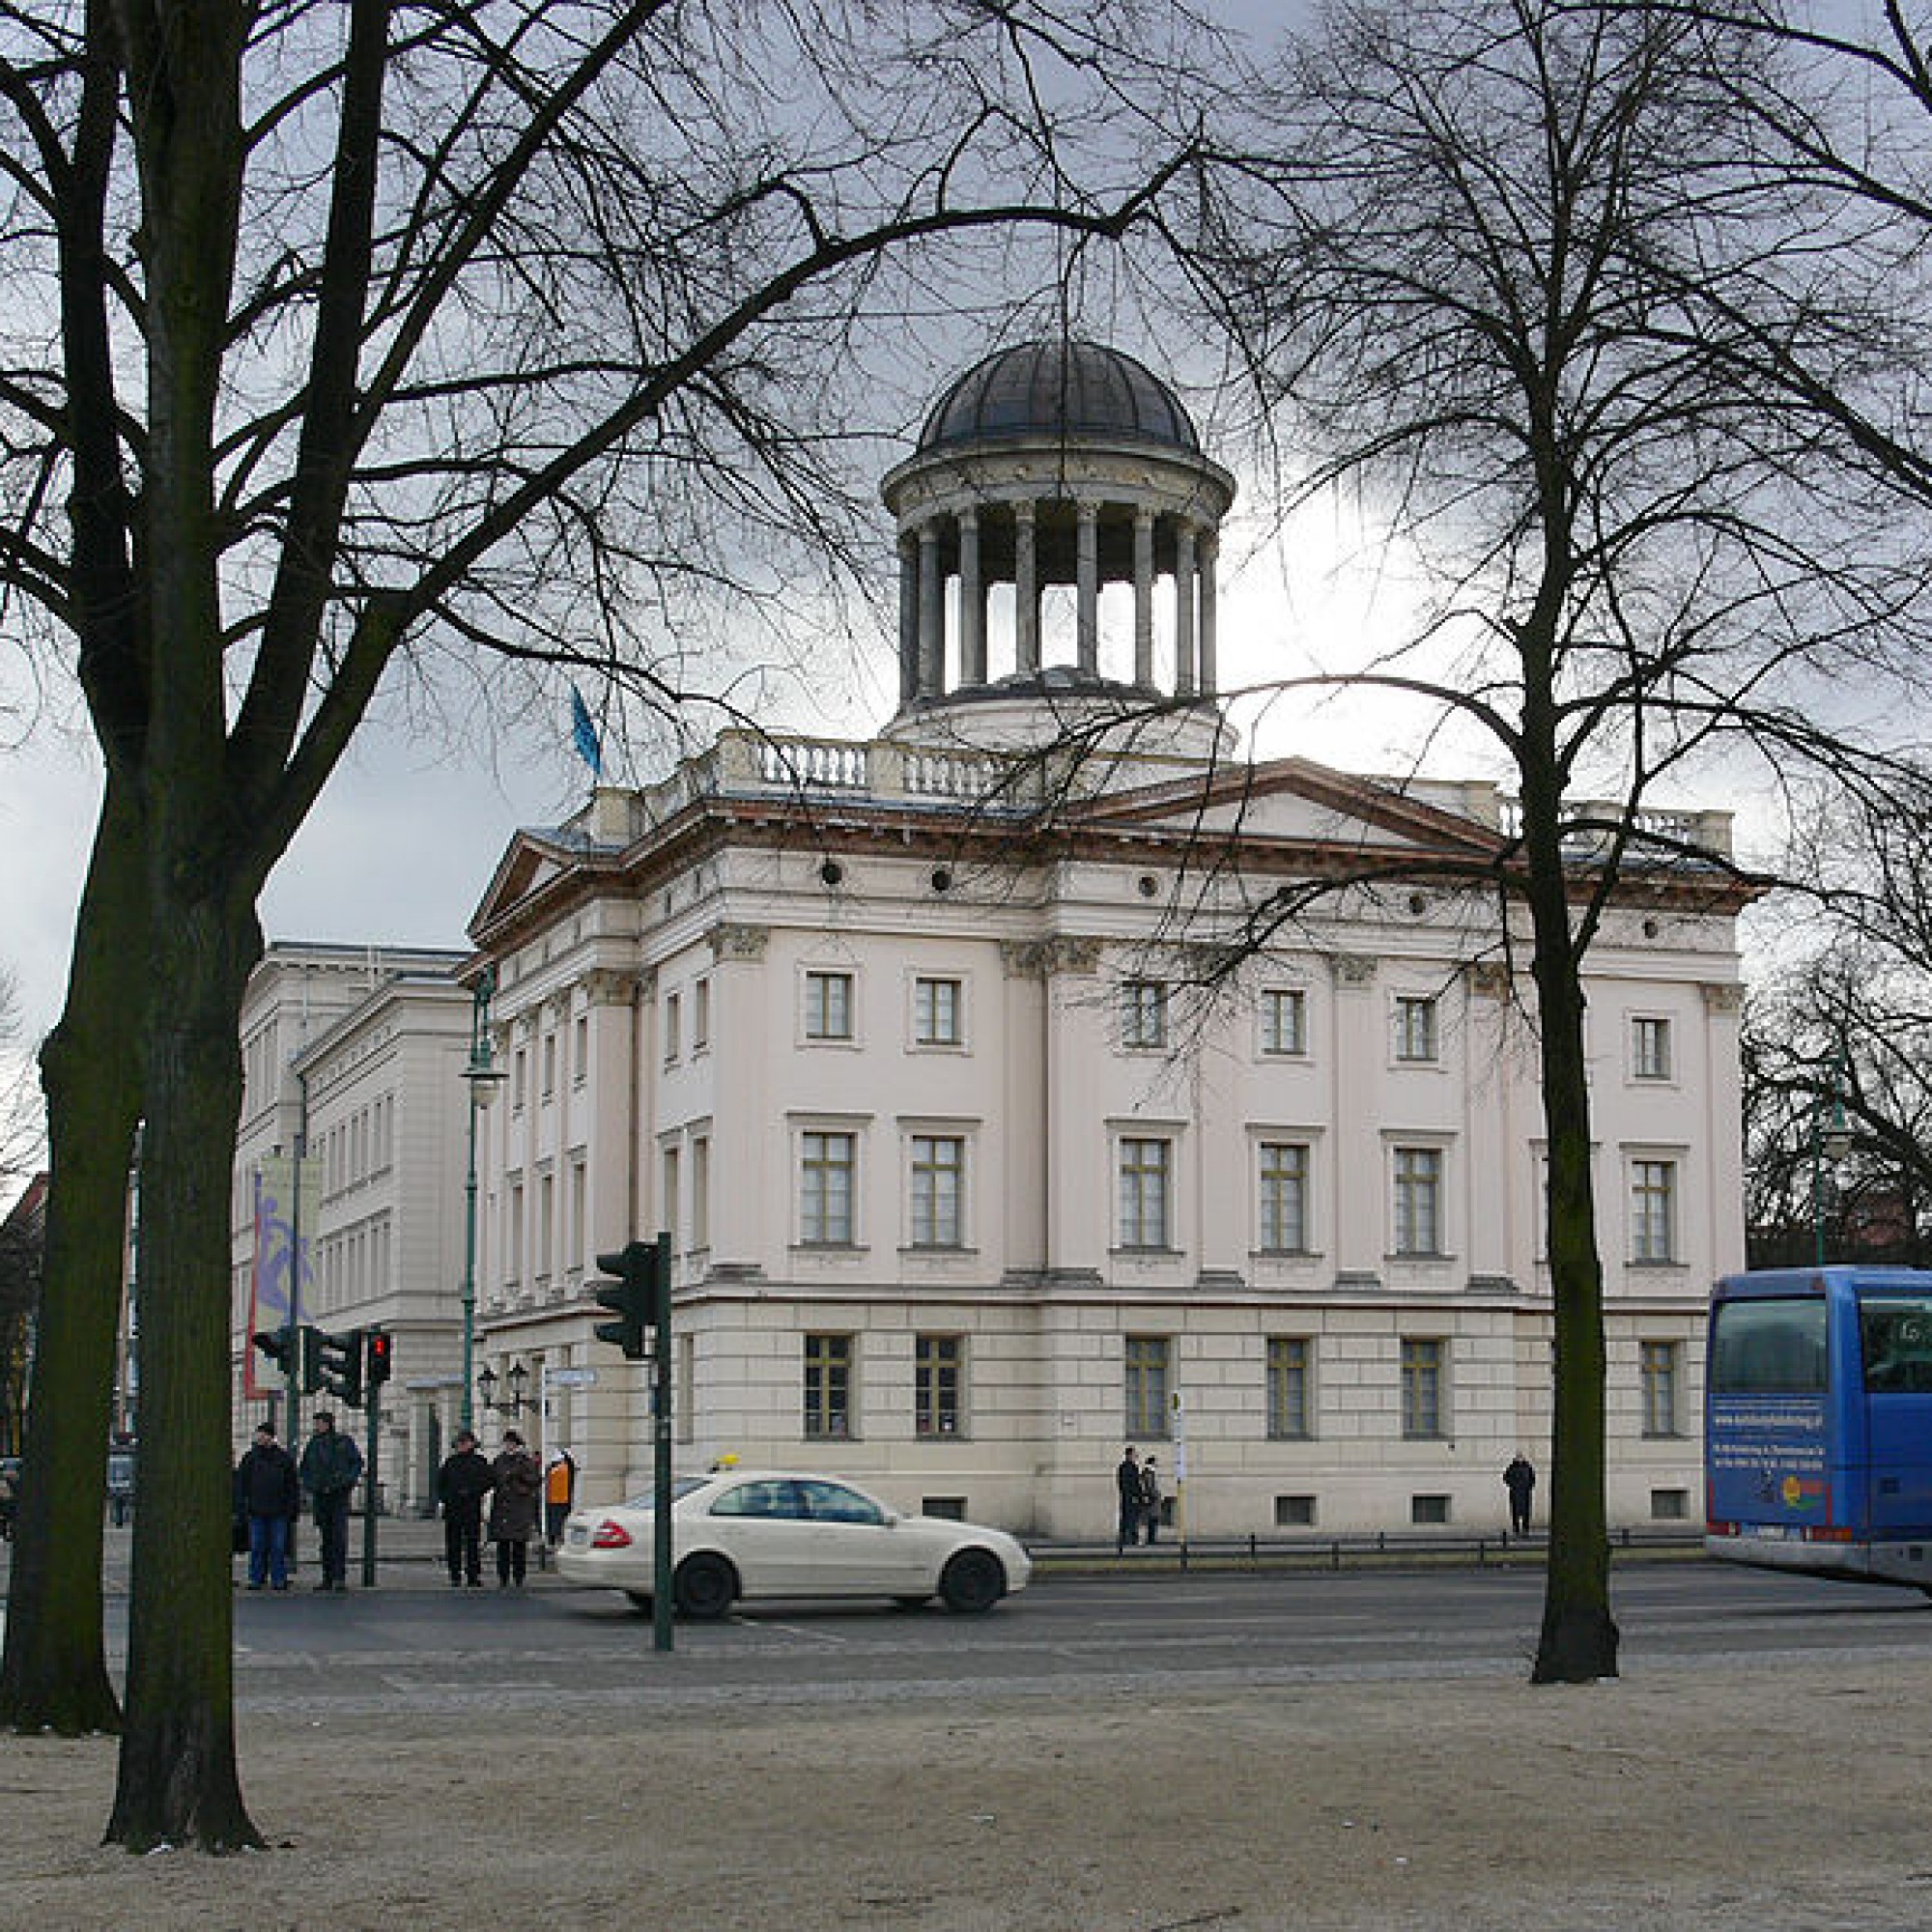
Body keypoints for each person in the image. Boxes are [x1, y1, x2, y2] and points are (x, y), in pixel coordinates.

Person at [299, 1409, 363, 1591]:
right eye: (316, 1423)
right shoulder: (313, 1444)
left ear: (328, 1424)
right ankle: (327, 1577)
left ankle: (338, 1577)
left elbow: (356, 1464)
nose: (317, 1427)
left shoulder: (343, 1442)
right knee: (325, 1538)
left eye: (319, 1423)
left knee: (338, 1537)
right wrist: (311, 1485)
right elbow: (304, 1468)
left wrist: (346, 1482)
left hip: (338, 1495)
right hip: (321, 1496)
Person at [234, 1422, 299, 1591]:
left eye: (263, 1434)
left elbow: (292, 1485)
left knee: (277, 1547)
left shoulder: (282, 1458)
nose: (260, 1437)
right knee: (258, 1546)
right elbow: (242, 1484)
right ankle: (258, 1578)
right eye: (259, 1434)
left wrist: (291, 1508)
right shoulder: (251, 1458)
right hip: (257, 1509)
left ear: (271, 1436)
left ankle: (277, 1578)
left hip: (278, 1509)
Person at [437, 1427, 495, 1588]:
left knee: (472, 1544)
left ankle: (473, 1575)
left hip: (471, 1507)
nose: (461, 1446)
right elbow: (441, 1484)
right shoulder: (450, 1462)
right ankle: (455, 1575)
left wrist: (474, 1492)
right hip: (453, 1509)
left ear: (471, 1444)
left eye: (464, 1442)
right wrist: (448, 1498)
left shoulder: (479, 1462)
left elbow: (489, 1481)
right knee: (453, 1544)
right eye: (459, 1443)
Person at [488, 1429, 541, 1588]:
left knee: (519, 1545)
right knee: (503, 1546)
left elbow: (535, 1479)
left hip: (520, 1507)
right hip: (502, 1507)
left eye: (512, 1443)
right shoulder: (499, 1461)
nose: (509, 1446)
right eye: (507, 1443)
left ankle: (519, 1577)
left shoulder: (525, 1461)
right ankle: (503, 1577)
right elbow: (493, 1479)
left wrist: (519, 1478)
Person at [544, 1445, 578, 1550]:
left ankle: (552, 1541)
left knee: (553, 1521)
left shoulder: (553, 1469)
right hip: (562, 1499)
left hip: (553, 1499)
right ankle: (557, 1541)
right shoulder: (564, 1468)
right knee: (559, 1521)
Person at [1115, 1446, 1142, 1555]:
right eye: (1134, 1454)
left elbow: (1121, 1483)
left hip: (1126, 1496)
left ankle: (1123, 1539)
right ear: (1129, 1455)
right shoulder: (1132, 1467)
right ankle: (1132, 1539)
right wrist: (1137, 1495)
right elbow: (1135, 1483)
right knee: (1132, 1518)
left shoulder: (1122, 1467)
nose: (1136, 1456)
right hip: (1131, 1496)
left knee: (1126, 1517)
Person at [1504, 1452, 1536, 1537]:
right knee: (1515, 1512)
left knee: (1526, 1512)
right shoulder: (1511, 1467)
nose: (1520, 1459)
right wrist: (1513, 1486)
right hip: (1515, 1493)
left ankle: (1525, 1530)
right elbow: (1506, 1478)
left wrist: (1528, 1486)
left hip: (1525, 1493)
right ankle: (1516, 1529)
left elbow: (1532, 1479)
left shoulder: (1528, 1467)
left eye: (1521, 1457)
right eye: (1518, 1457)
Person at [1140, 1454, 1164, 1546]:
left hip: (1151, 1498)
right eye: (1155, 1462)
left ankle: (1152, 1538)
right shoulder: (1149, 1473)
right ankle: (1151, 1539)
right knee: (1153, 1519)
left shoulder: (1148, 1472)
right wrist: (1155, 1495)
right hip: (1152, 1499)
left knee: (1152, 1519)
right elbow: (1150, 1486)